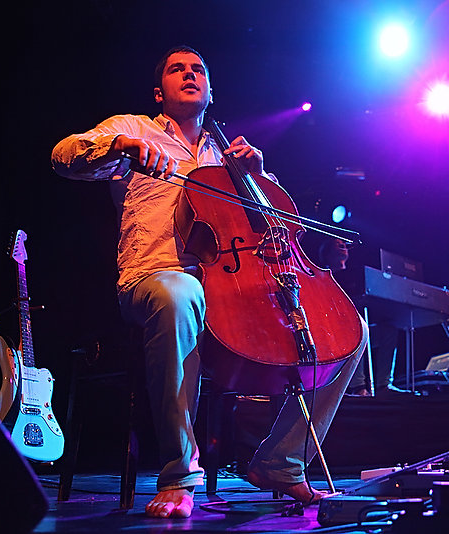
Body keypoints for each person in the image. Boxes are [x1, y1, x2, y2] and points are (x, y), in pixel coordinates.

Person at [51, 46, 367, 518]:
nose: (189, 74)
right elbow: (64, 156)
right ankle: (179, 474)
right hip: (155, 277)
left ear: (211, 90)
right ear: (159, 92)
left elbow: (278, 229)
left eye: (198, 69)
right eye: (177, 69)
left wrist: (258, 175)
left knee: (346, 328)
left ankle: (282, 462)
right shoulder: (134, 129)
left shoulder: (230, 157)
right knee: (182, 294)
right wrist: (119, 147)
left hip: (233, 289)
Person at [317, 237, 402, 397]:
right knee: (355, 332)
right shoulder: (323, 277)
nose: (343, 246)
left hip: (359, 328)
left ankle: (383, 384)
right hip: (335, 334)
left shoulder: (357, 275)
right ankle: (358, 387)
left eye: (344, 244)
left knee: (388, 331)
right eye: (338, 245)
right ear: (327, 253)